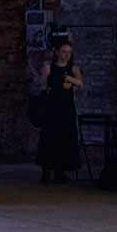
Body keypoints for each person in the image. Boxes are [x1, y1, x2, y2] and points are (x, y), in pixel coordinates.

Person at [36, 40, 83, 184]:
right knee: (50, 137)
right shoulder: (49, 67)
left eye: (69, 52)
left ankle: (60, 170)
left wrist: (69, 79)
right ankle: (46, 169)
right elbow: (44, 85)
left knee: (65, 138)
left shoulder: (73, 68)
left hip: (66, 108)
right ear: (57, 52)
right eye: (63, 52)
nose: (66, 55)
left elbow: (80, 82)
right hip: (52, 108)